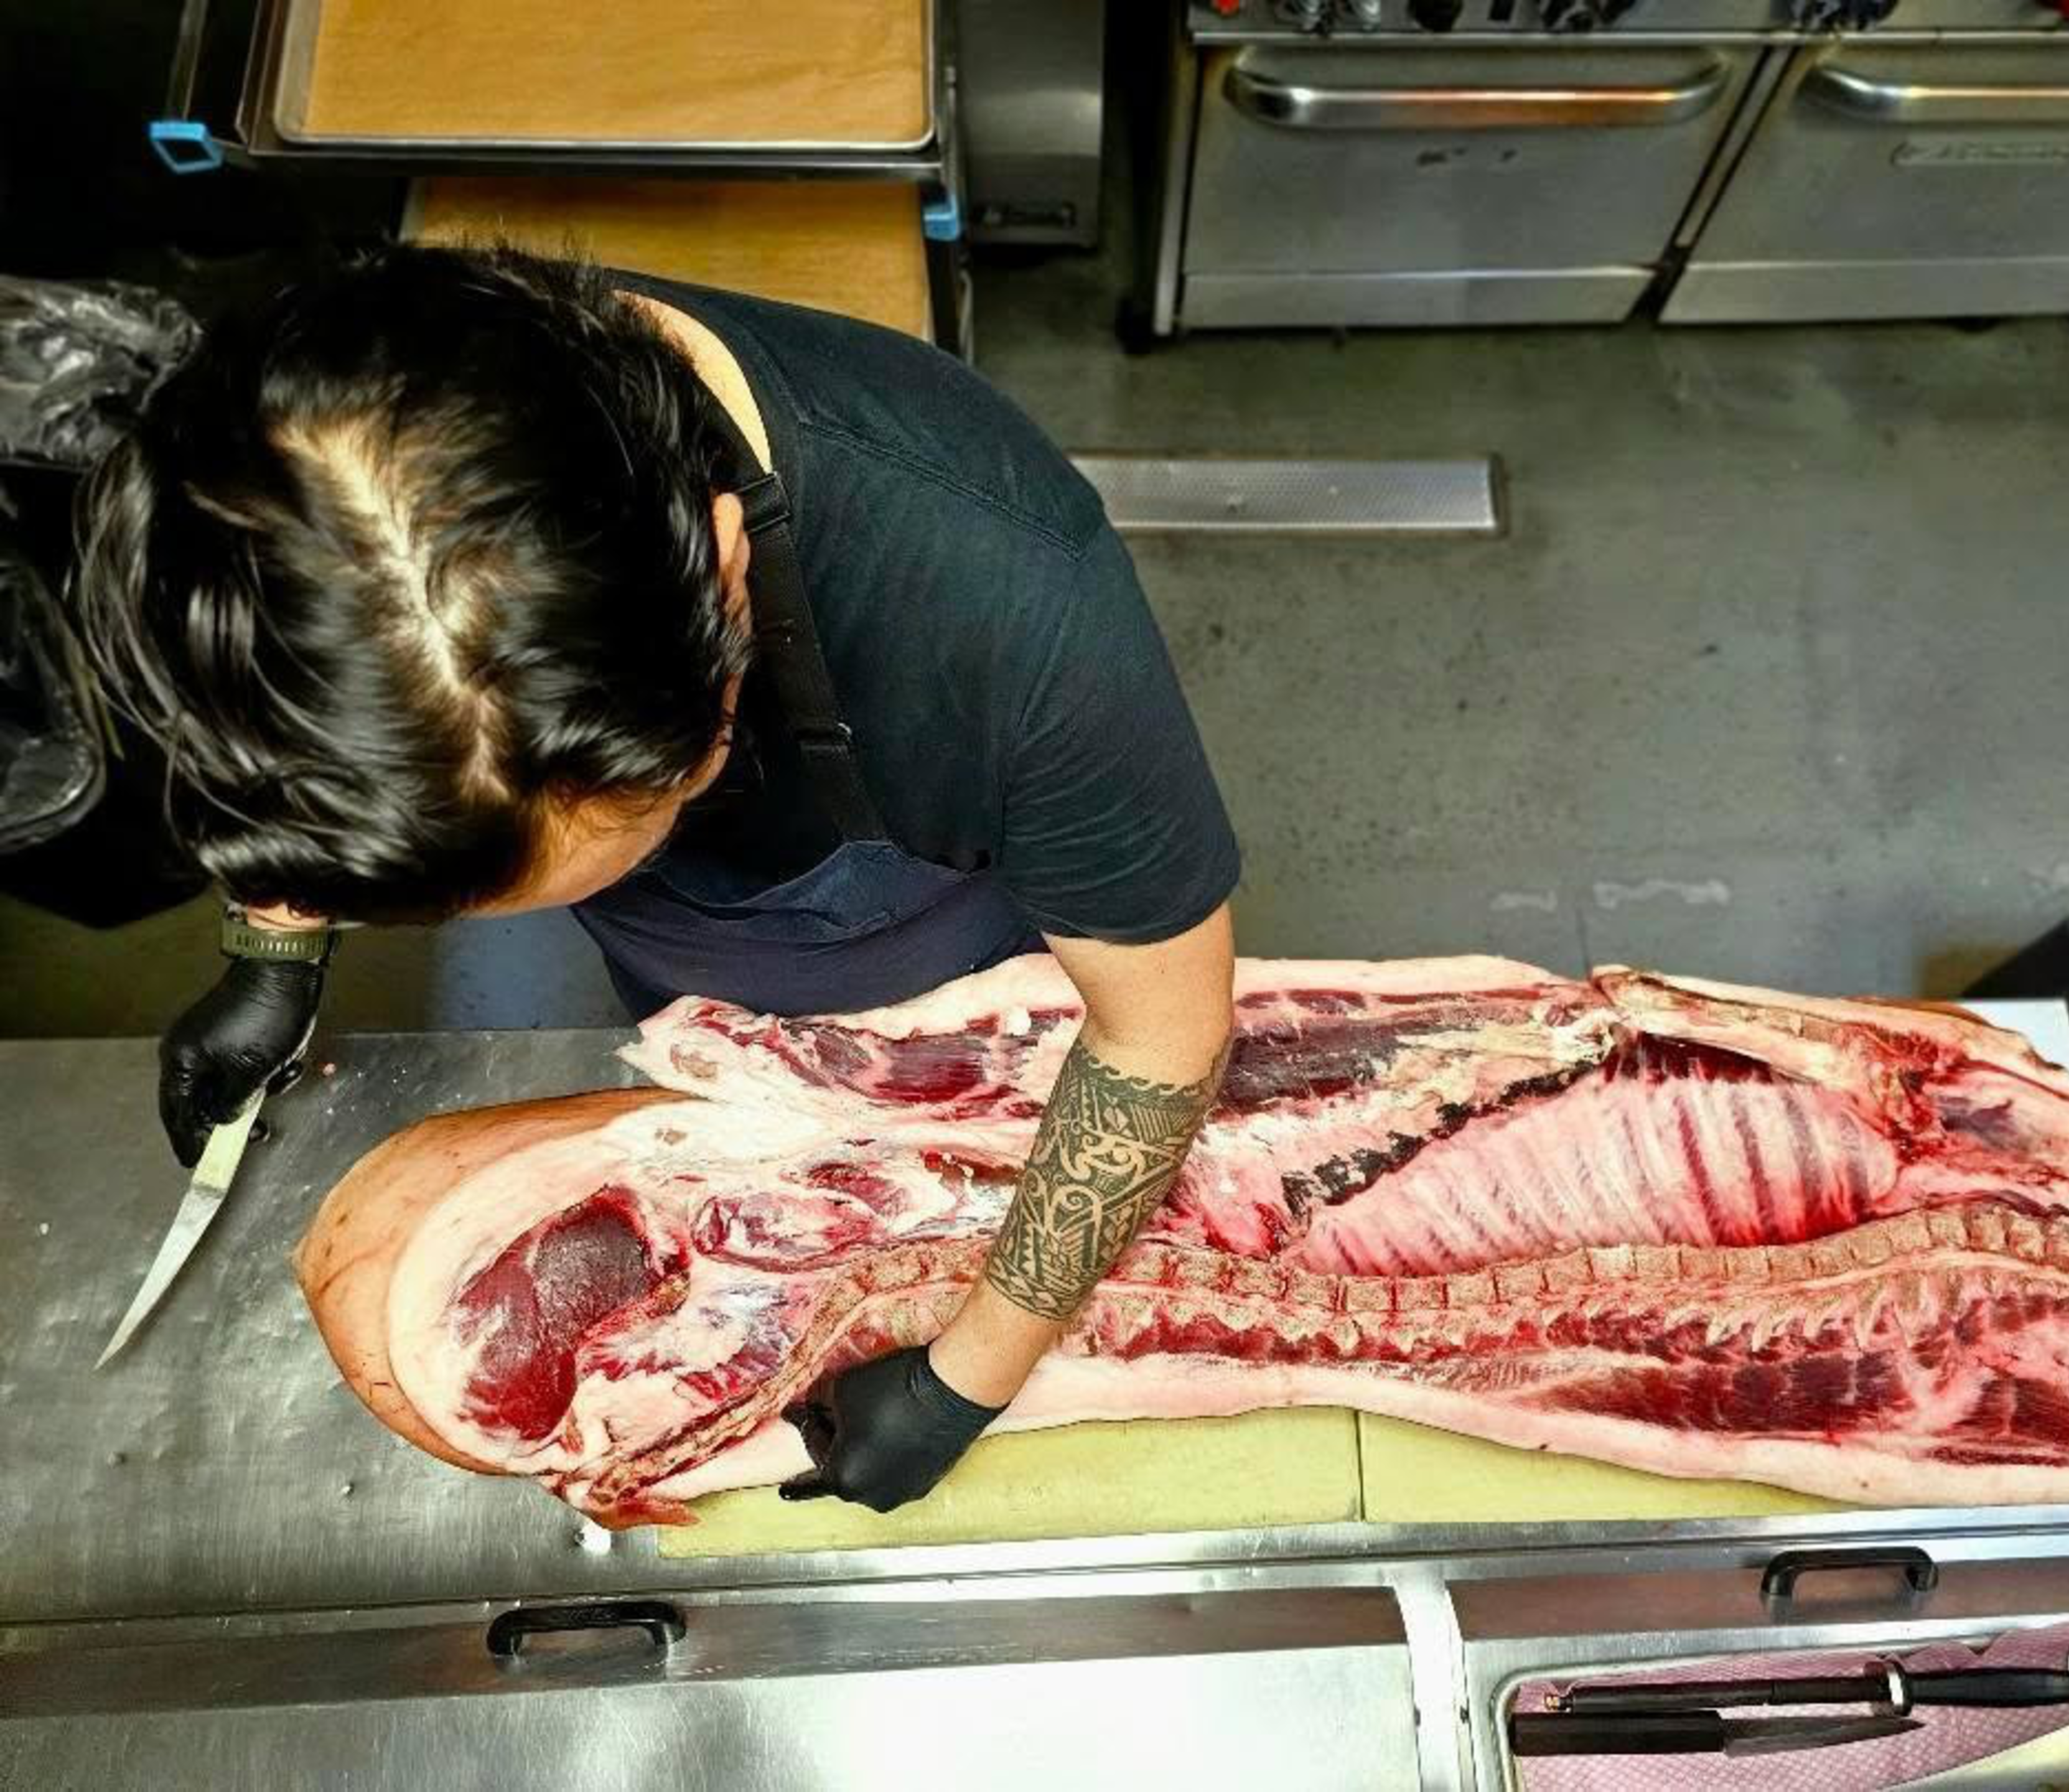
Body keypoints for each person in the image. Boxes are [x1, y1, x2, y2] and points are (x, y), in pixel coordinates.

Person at [70, 243, 1240, 1512]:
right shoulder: (309, 449)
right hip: (705, 958)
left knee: (952, 1133)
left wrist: (968, 1374)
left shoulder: (1011, 610)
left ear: (725, 574)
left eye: (640, 811)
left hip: (944, 935)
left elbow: (1156, 1037)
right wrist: (277, 939)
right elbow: (317, 699)